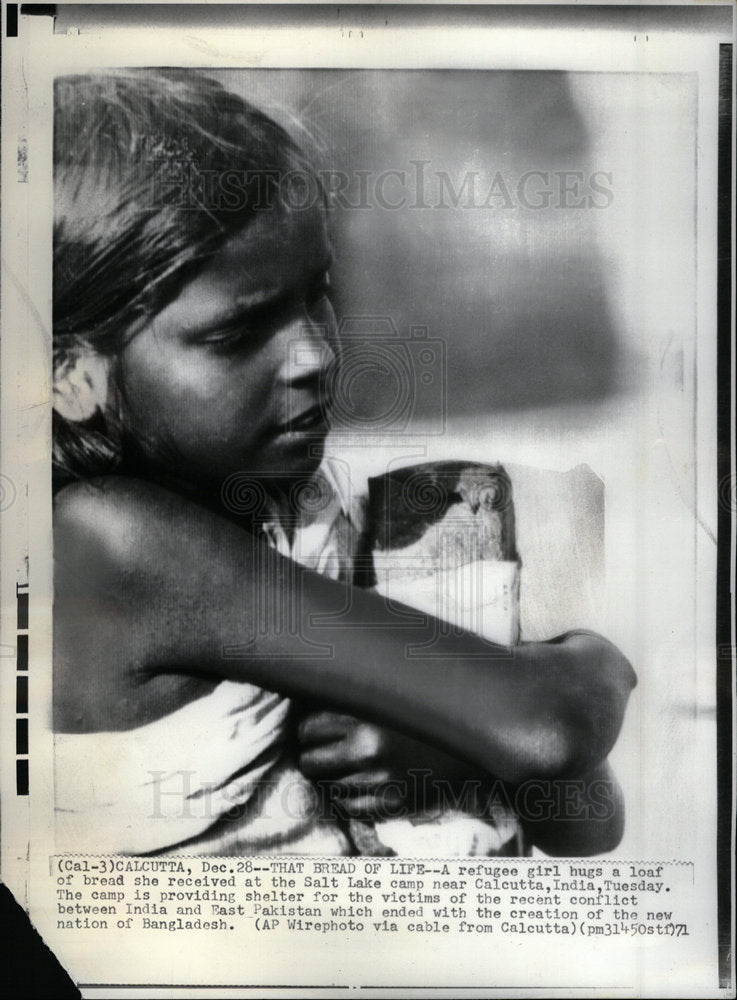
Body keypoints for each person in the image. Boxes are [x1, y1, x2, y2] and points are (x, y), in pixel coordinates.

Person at [52, 69, 636, 857]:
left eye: (317, 295)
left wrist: (452, 737)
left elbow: (583, 820)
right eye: (237, 333)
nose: (314, 353)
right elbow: (550, 727)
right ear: (68, 373)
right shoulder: (108, 543)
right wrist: (598, 661)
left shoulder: (289, 508)